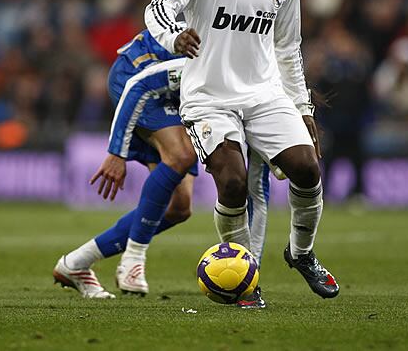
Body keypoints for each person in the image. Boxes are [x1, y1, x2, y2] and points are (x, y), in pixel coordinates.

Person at [144, 0, 339, 298]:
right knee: (232, 182)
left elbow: (288, 47)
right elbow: (159, 6)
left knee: (307, 167)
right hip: (210, 97)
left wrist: (303, 107)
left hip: (264, 94)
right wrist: (174, 35)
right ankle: (243, 280)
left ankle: (301, 252)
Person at [53, 30, 272, 308]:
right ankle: (133, 260)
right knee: (181, 155)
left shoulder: (251, 77)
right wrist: (116, 153)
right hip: (138, 76)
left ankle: (75, 264)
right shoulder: (212, 66)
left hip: (176, 91)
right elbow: (139, 86)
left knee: (179, 207)